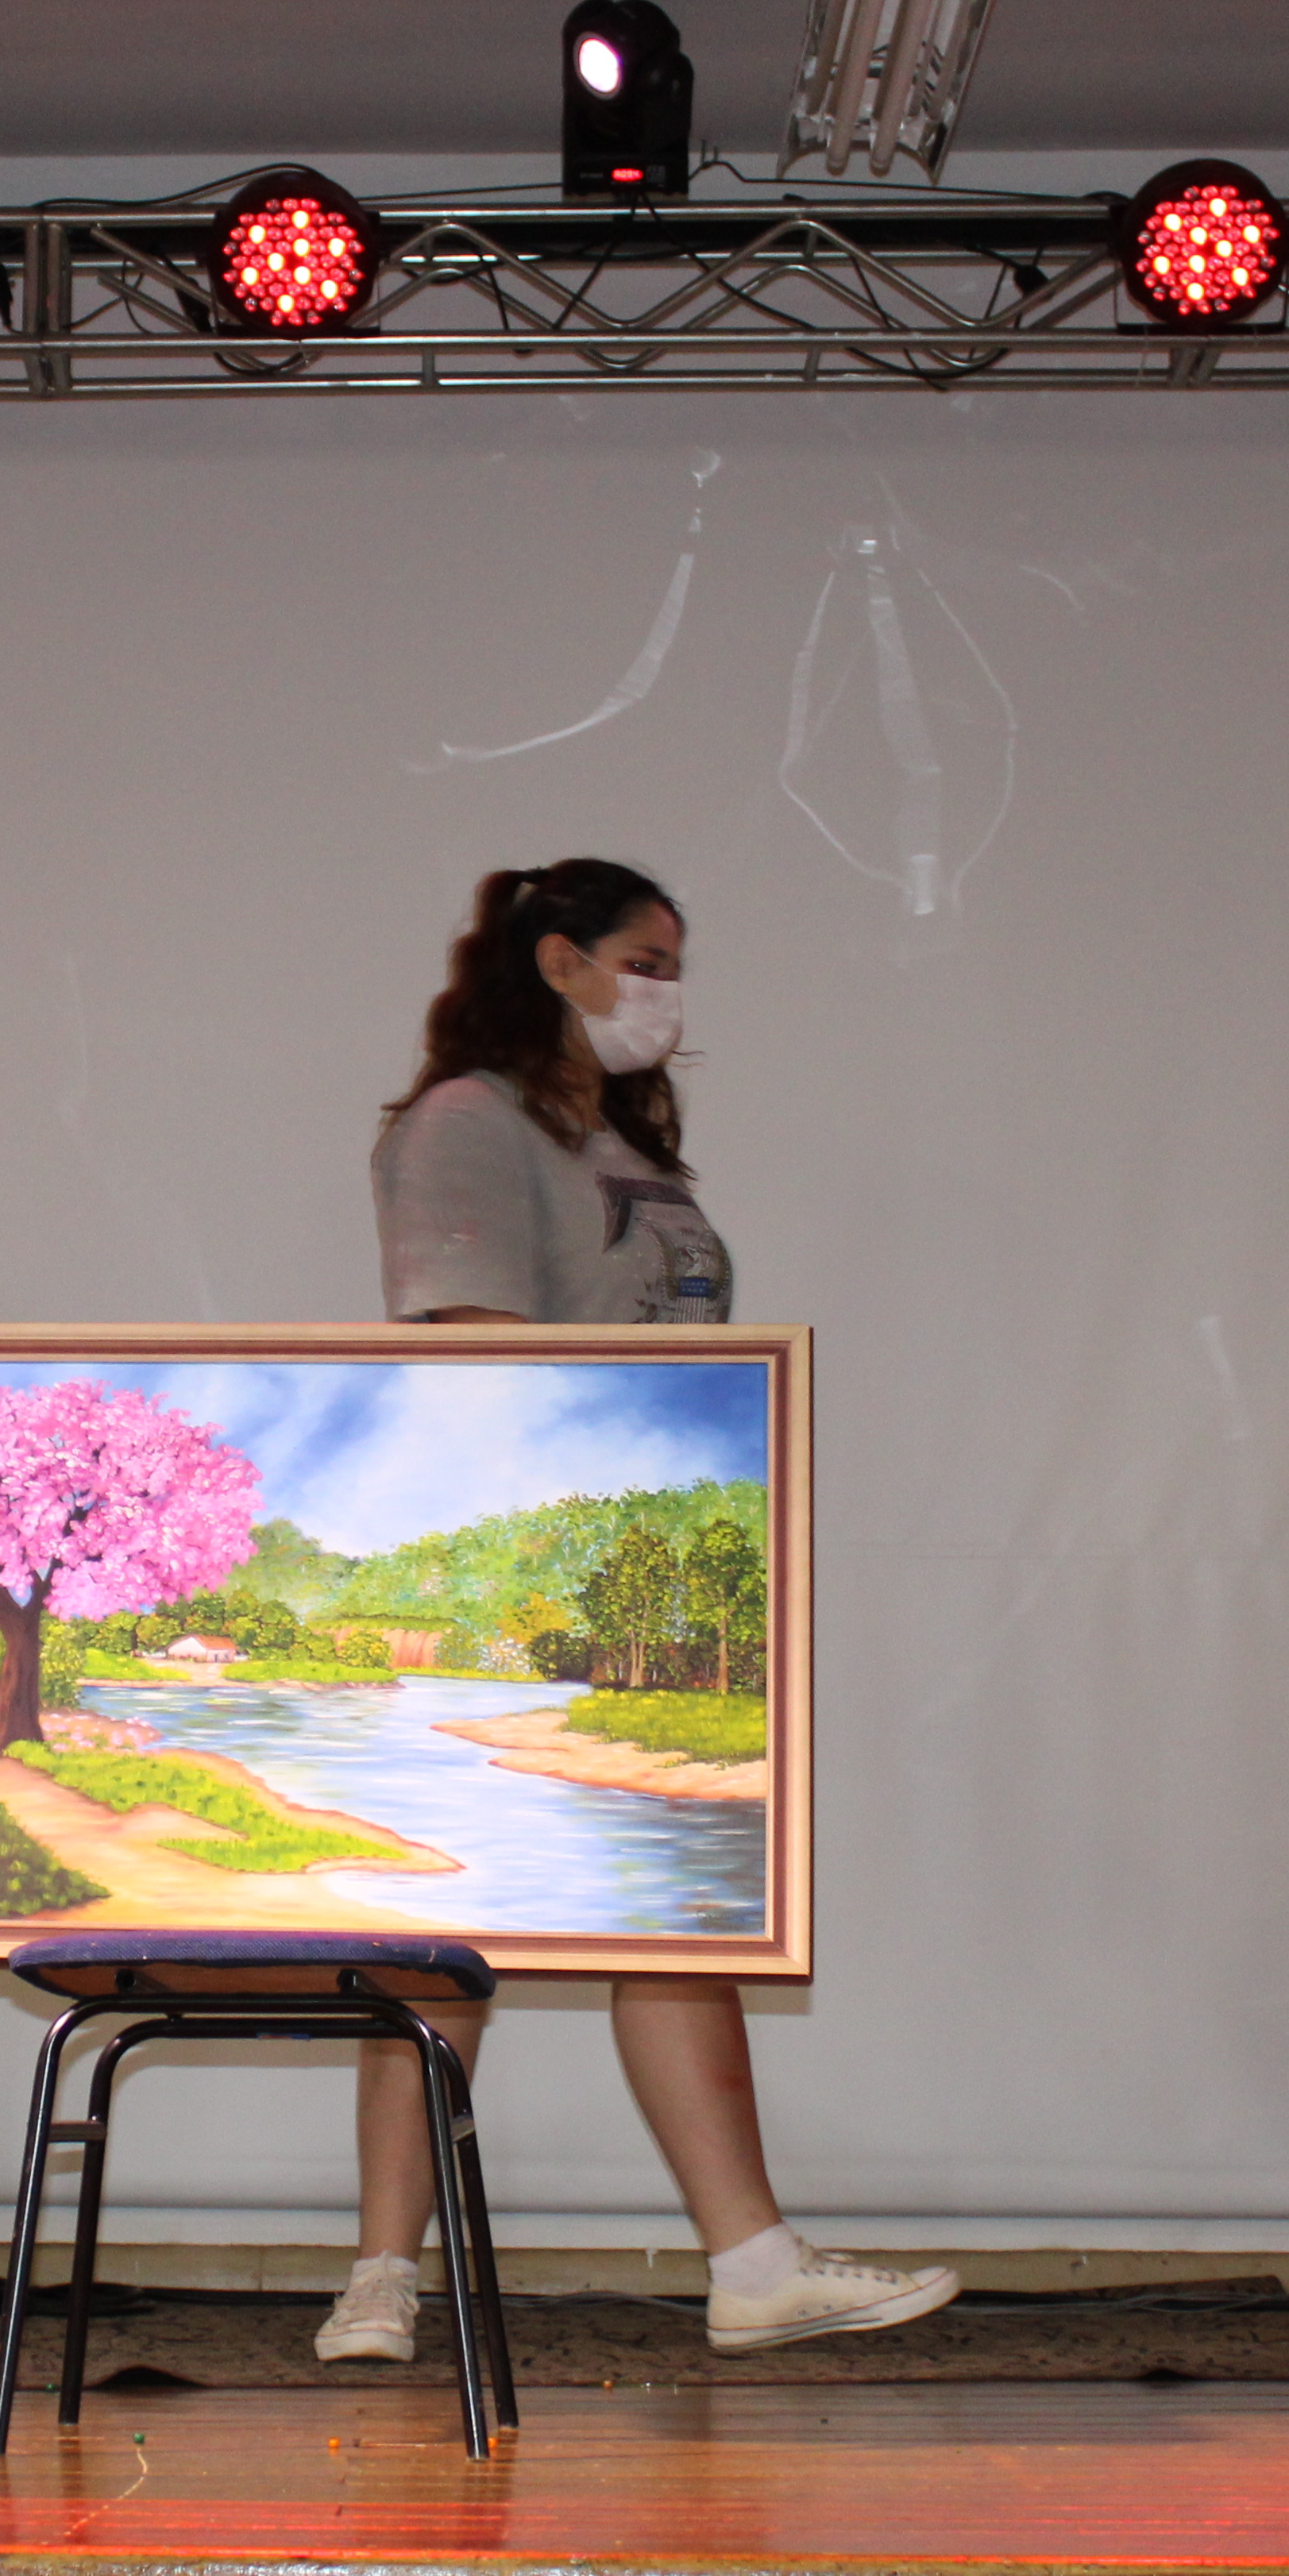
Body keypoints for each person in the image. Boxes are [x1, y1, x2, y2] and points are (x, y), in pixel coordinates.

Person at [322, 856, 961, 2362]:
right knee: (441, 1937)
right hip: (536, 1536)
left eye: (675, 967)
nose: (667, 993)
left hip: (654, 1540)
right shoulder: (468, 1123)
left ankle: (755, 2264)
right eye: (647, 960)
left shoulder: (620, 1145)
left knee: (676, 1917)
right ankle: (381, 2280)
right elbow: (473, 1348)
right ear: (561, 961)